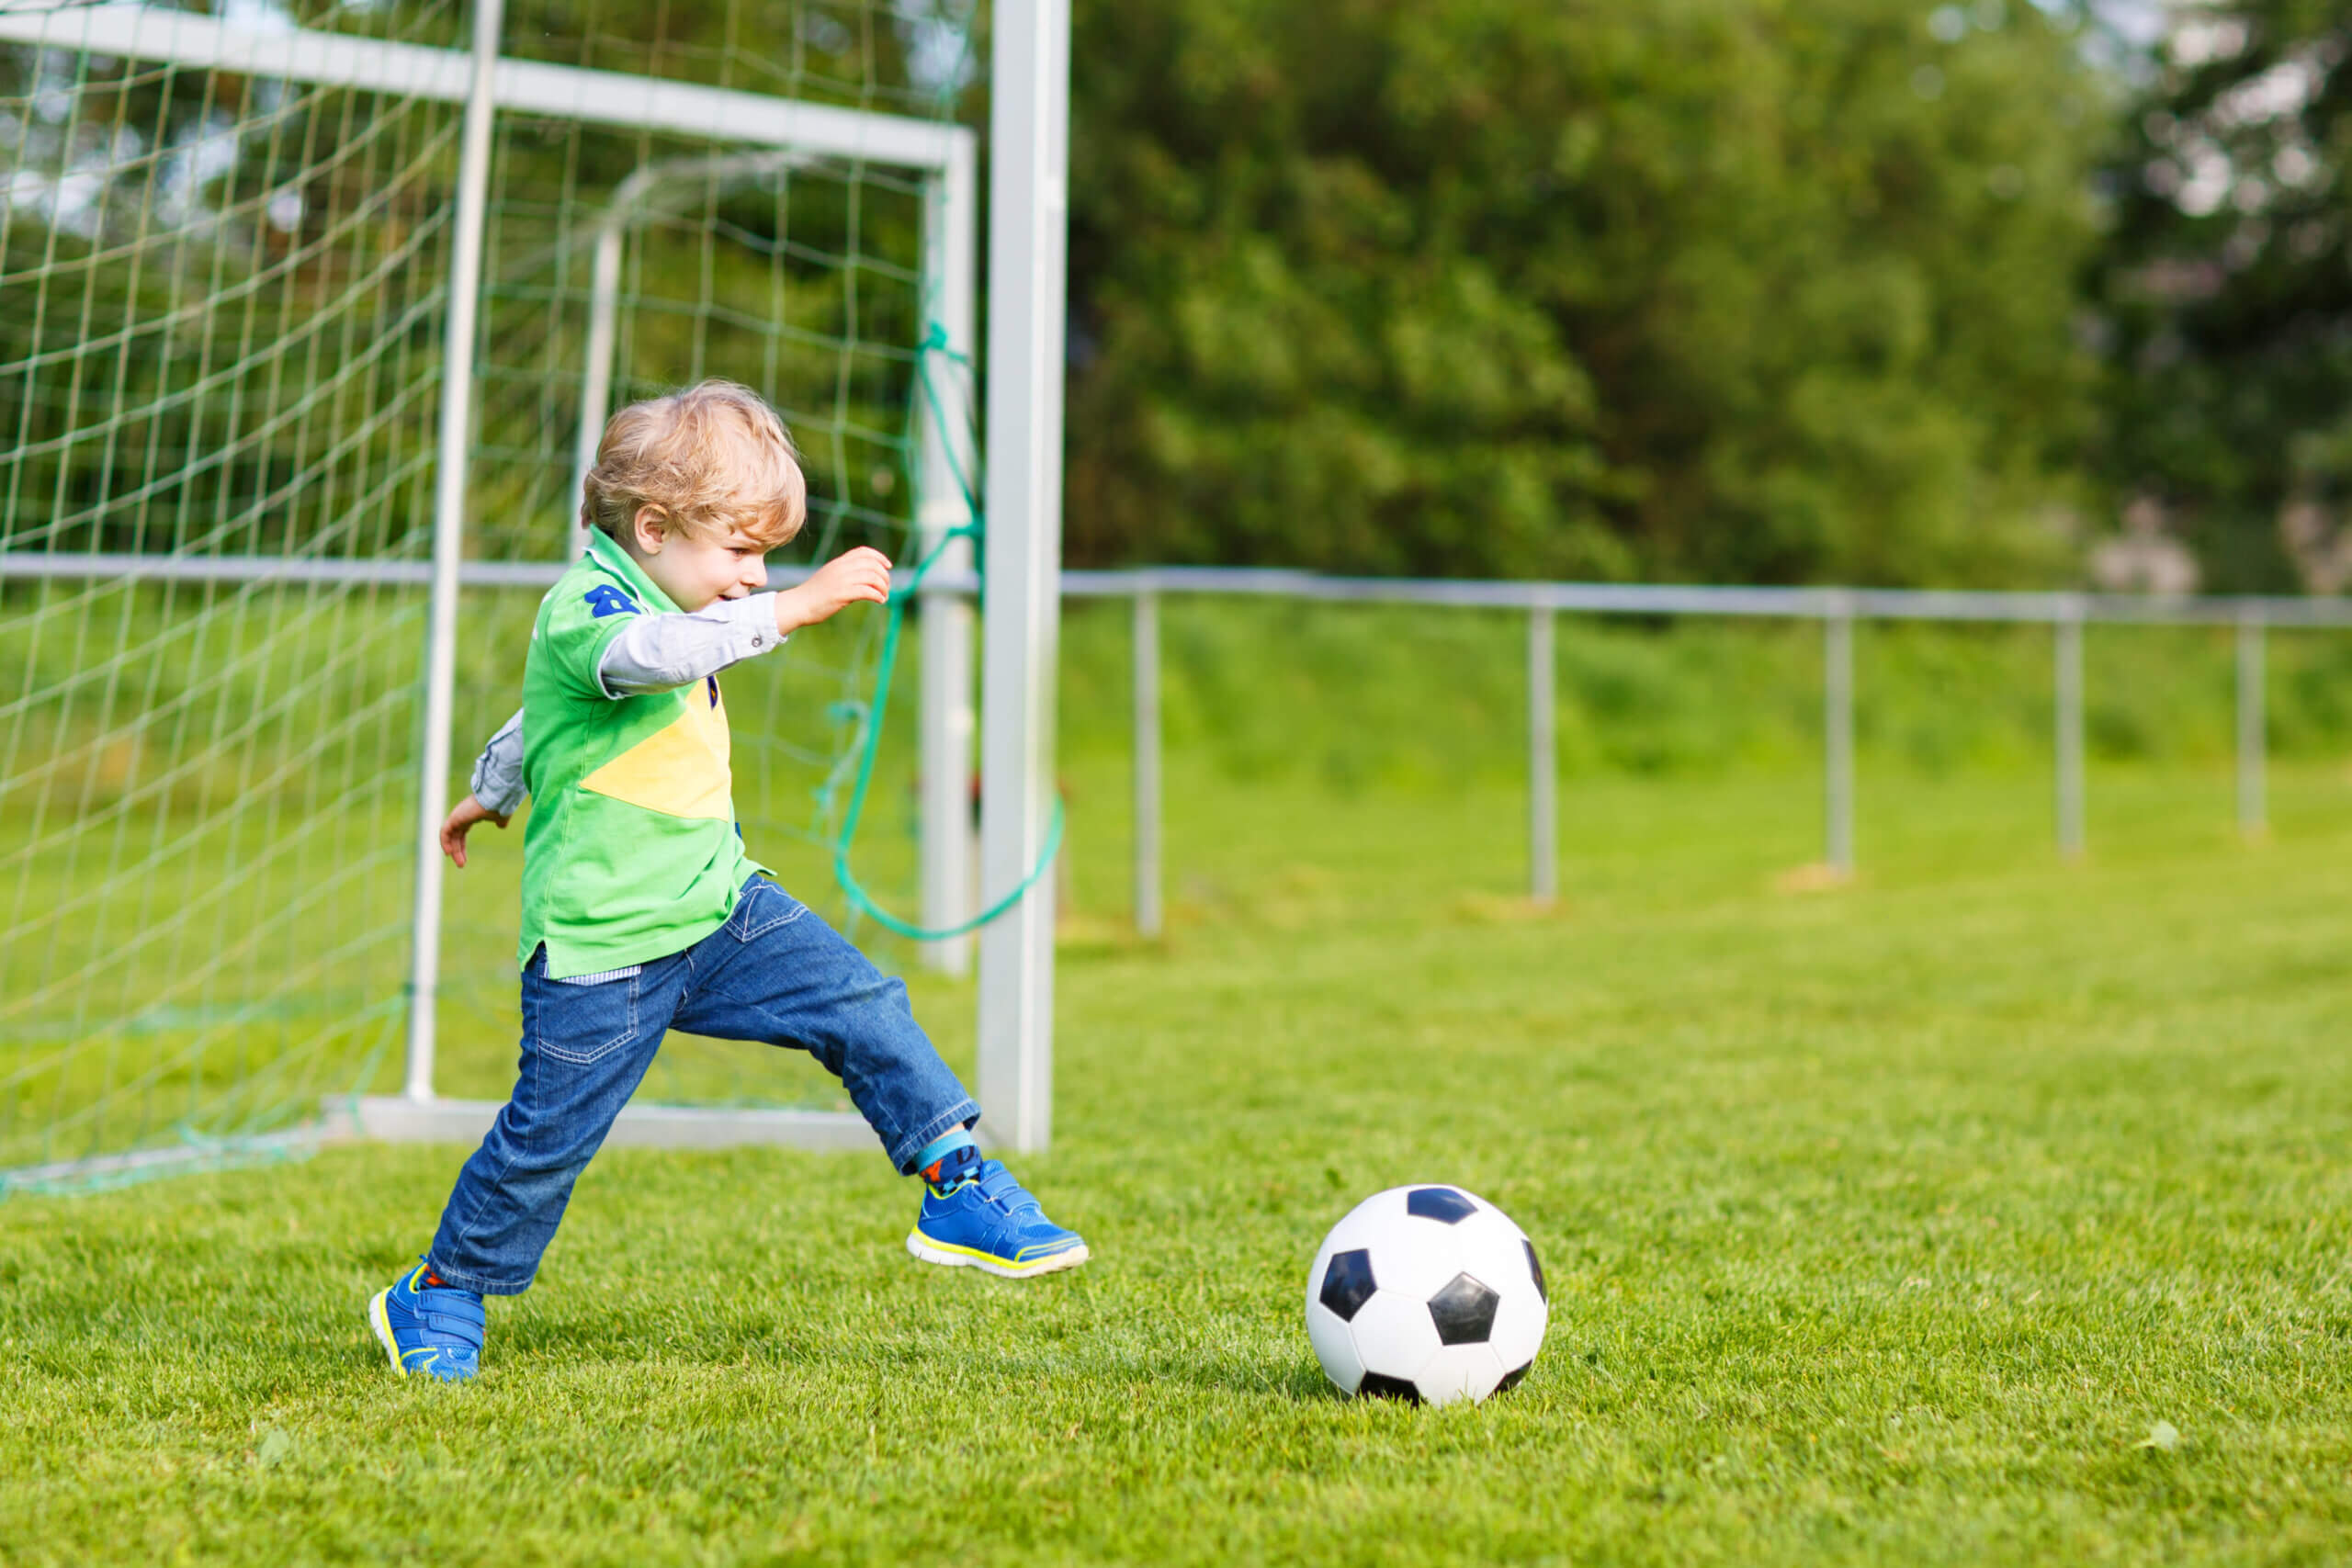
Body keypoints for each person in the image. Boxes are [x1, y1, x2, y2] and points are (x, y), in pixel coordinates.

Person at [369, 380, 1086, 1383]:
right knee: (547, 1143)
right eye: (741, 551)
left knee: (862, 1003)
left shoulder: (672, 599)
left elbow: (540, 718)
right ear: (653, 528)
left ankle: (957, 1182)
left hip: (719, 906)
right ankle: (441, 1290)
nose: (755, 577)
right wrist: (790, 609)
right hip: (603, 946)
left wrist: (489, 789)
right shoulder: (592, 608)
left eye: (767, 560)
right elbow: (643, 661)